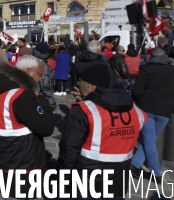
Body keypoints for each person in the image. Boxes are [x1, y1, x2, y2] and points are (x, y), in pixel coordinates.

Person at [59, 62, 147, 198]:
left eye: (80, 81)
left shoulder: (84, 110)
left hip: (89, 181)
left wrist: (64, 177)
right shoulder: (135, 110)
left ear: (89, 84)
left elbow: (69, 149)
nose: (78, 85)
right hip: (119, 180)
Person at [0, 55, 54, 197]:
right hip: (24, 164)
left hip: (3, 158)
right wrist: (41, 100)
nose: (41, 79)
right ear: (29, 71)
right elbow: (47, 127)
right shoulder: (21, 96)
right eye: (40, 74)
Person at [131, 47, 174, 180]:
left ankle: (155, 172)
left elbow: (136, 90)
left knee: (149, 140)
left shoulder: (146, 70)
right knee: (149, 139)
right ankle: (134, 164)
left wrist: (139, 101)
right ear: (165, 56)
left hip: (147, 108)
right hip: (165, 109)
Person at [31, 42, 57, 110]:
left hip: (30, 95)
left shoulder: (30, 60)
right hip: (40, 97)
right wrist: (51, 102)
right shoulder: (42, 65)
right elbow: (45, 85)